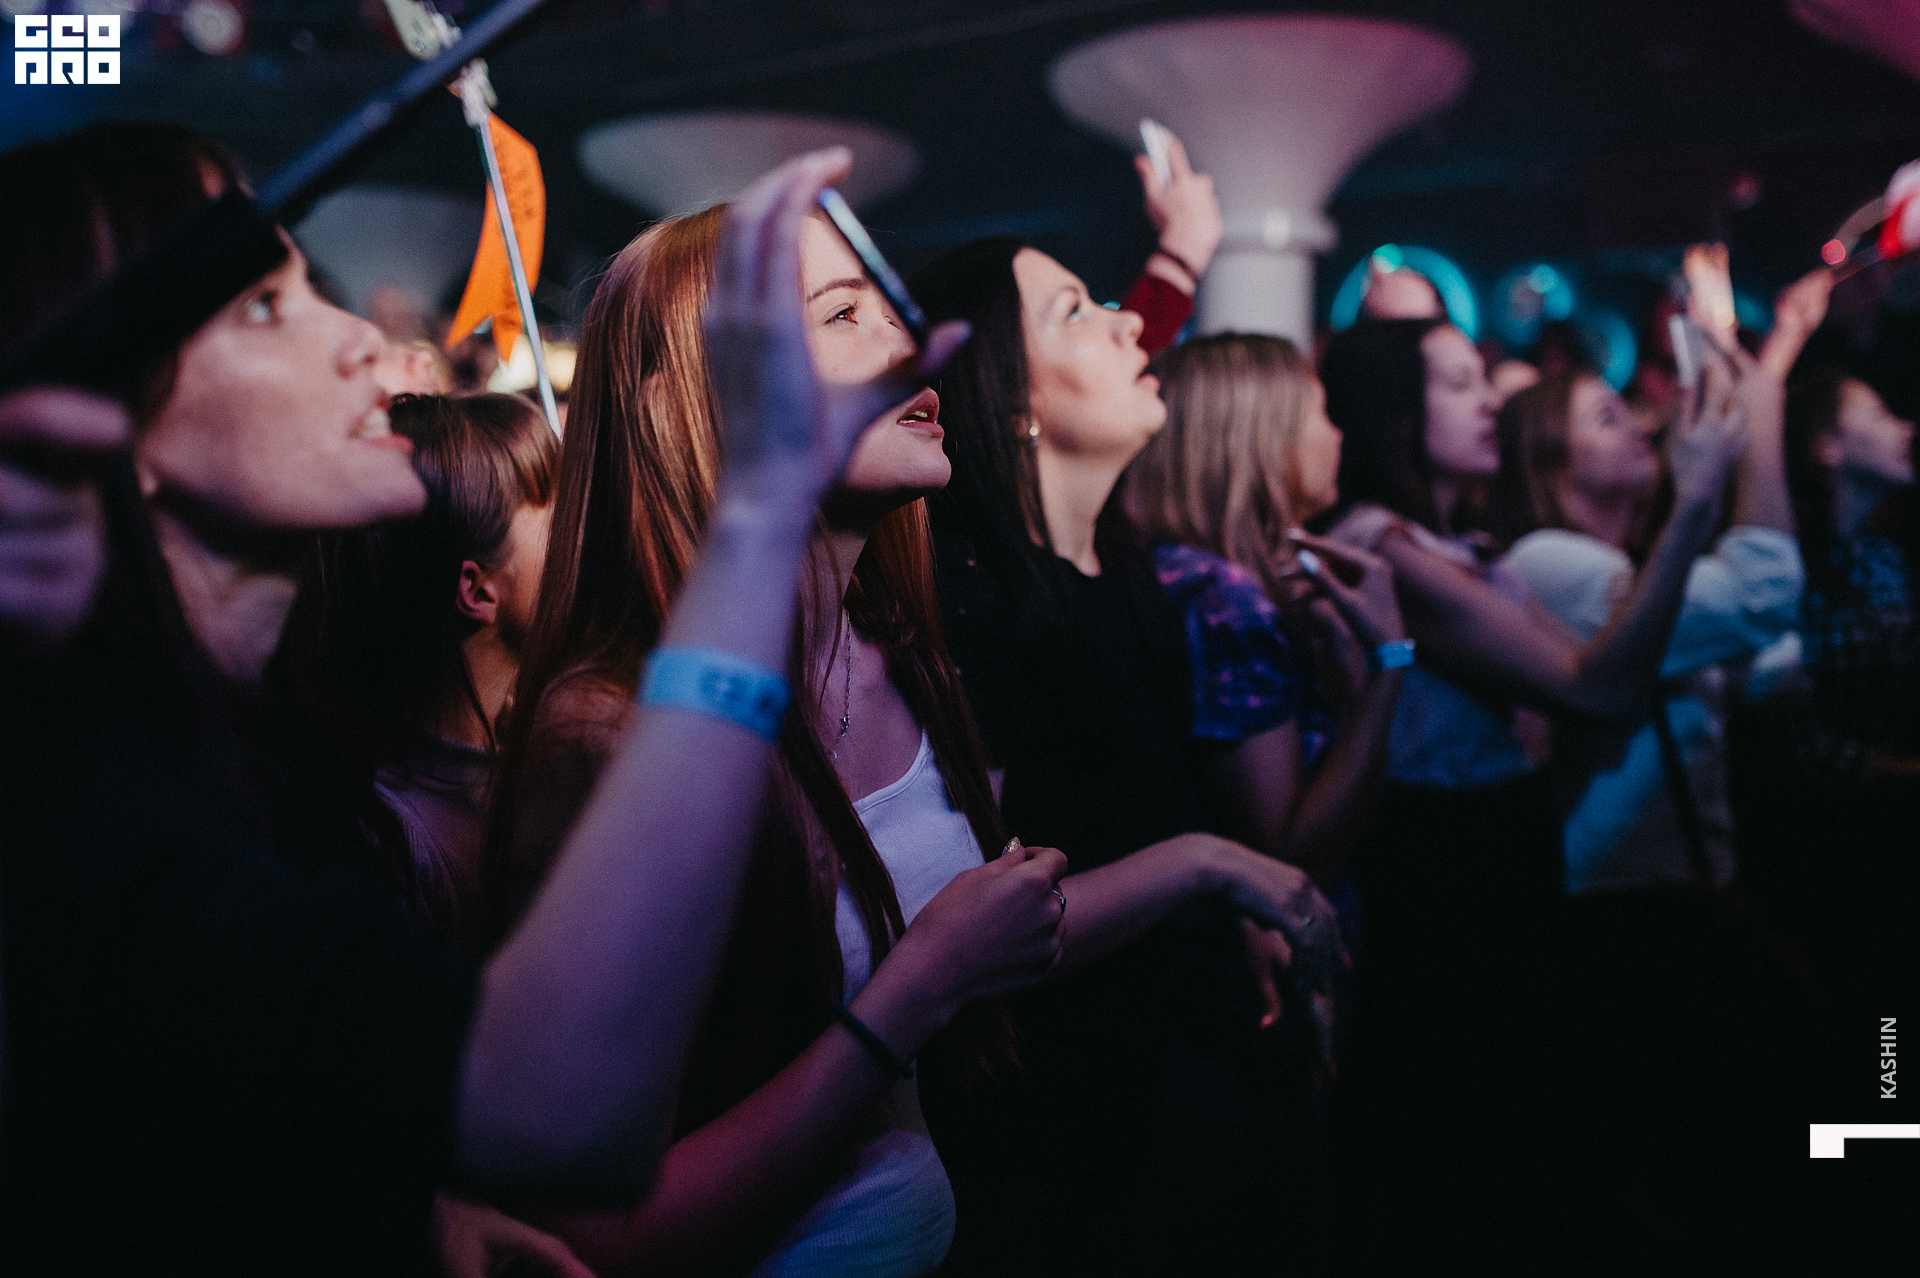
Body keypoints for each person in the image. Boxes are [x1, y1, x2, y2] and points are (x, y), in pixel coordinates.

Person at [0, 125, 946, 1273]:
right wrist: (758, 507)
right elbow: (561, 1113)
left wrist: (407, 1212)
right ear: (92, 410)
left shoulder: (277, 766)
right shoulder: (78, 790)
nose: (361, 336)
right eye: (263, 304)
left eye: (311, 285)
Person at [910, 241, 1343, 1276]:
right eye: (1075, 311)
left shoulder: (1127, 570)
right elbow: (976, 927)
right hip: (1042, 1140)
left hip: (1156, 1089)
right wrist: (1208, 865)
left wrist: (1233, 918)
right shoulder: (968, 596)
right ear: (1014, 400)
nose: (1128, 322)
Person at [1313, 315, 1748, 1262]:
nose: (1489, 404)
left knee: (1537, 1154)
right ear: (1394, 416)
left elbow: (1596, 687)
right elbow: (1597, 687)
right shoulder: (1381, 546)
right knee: (1475, 1162)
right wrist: (1694, 502)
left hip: (1500, 849)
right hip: (1439, 871)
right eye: (1459, 384)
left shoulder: (1453, 541)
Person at [1489, 357, 1802, 894]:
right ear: (1549, 459)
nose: (1638, 426)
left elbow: (1776, 651)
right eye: (1608, 418)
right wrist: (1761, 423)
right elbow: (1761, 592)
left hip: (1675, 885)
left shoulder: (1625, 565)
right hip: (1614, 900)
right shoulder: (1543, 564)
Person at [1126, 333, 1407, 894]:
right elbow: (1284, 853)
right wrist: (1390, 660)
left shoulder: (1196, 571)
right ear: (1261, 438)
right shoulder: (1223, 595)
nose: (1338, 434)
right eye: (1320, 413)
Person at [281, 391, 558, 950]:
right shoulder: (402, 848)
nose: (585, 544)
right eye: (561, 526)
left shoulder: (534, 753)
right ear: (478, 591)